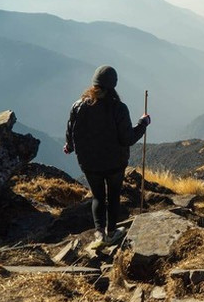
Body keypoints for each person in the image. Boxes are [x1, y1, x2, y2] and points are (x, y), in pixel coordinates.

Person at [64, 65, 150, 247]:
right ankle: (111, 233)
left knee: (97, 197)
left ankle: (99, 234)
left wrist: (70, 146)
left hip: (89, 163)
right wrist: (143, 123)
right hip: (114, 163)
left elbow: (71, 130)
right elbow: (127, 139)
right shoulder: (119, 108)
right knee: (113, 196)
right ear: (114, 84)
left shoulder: (78, 106)